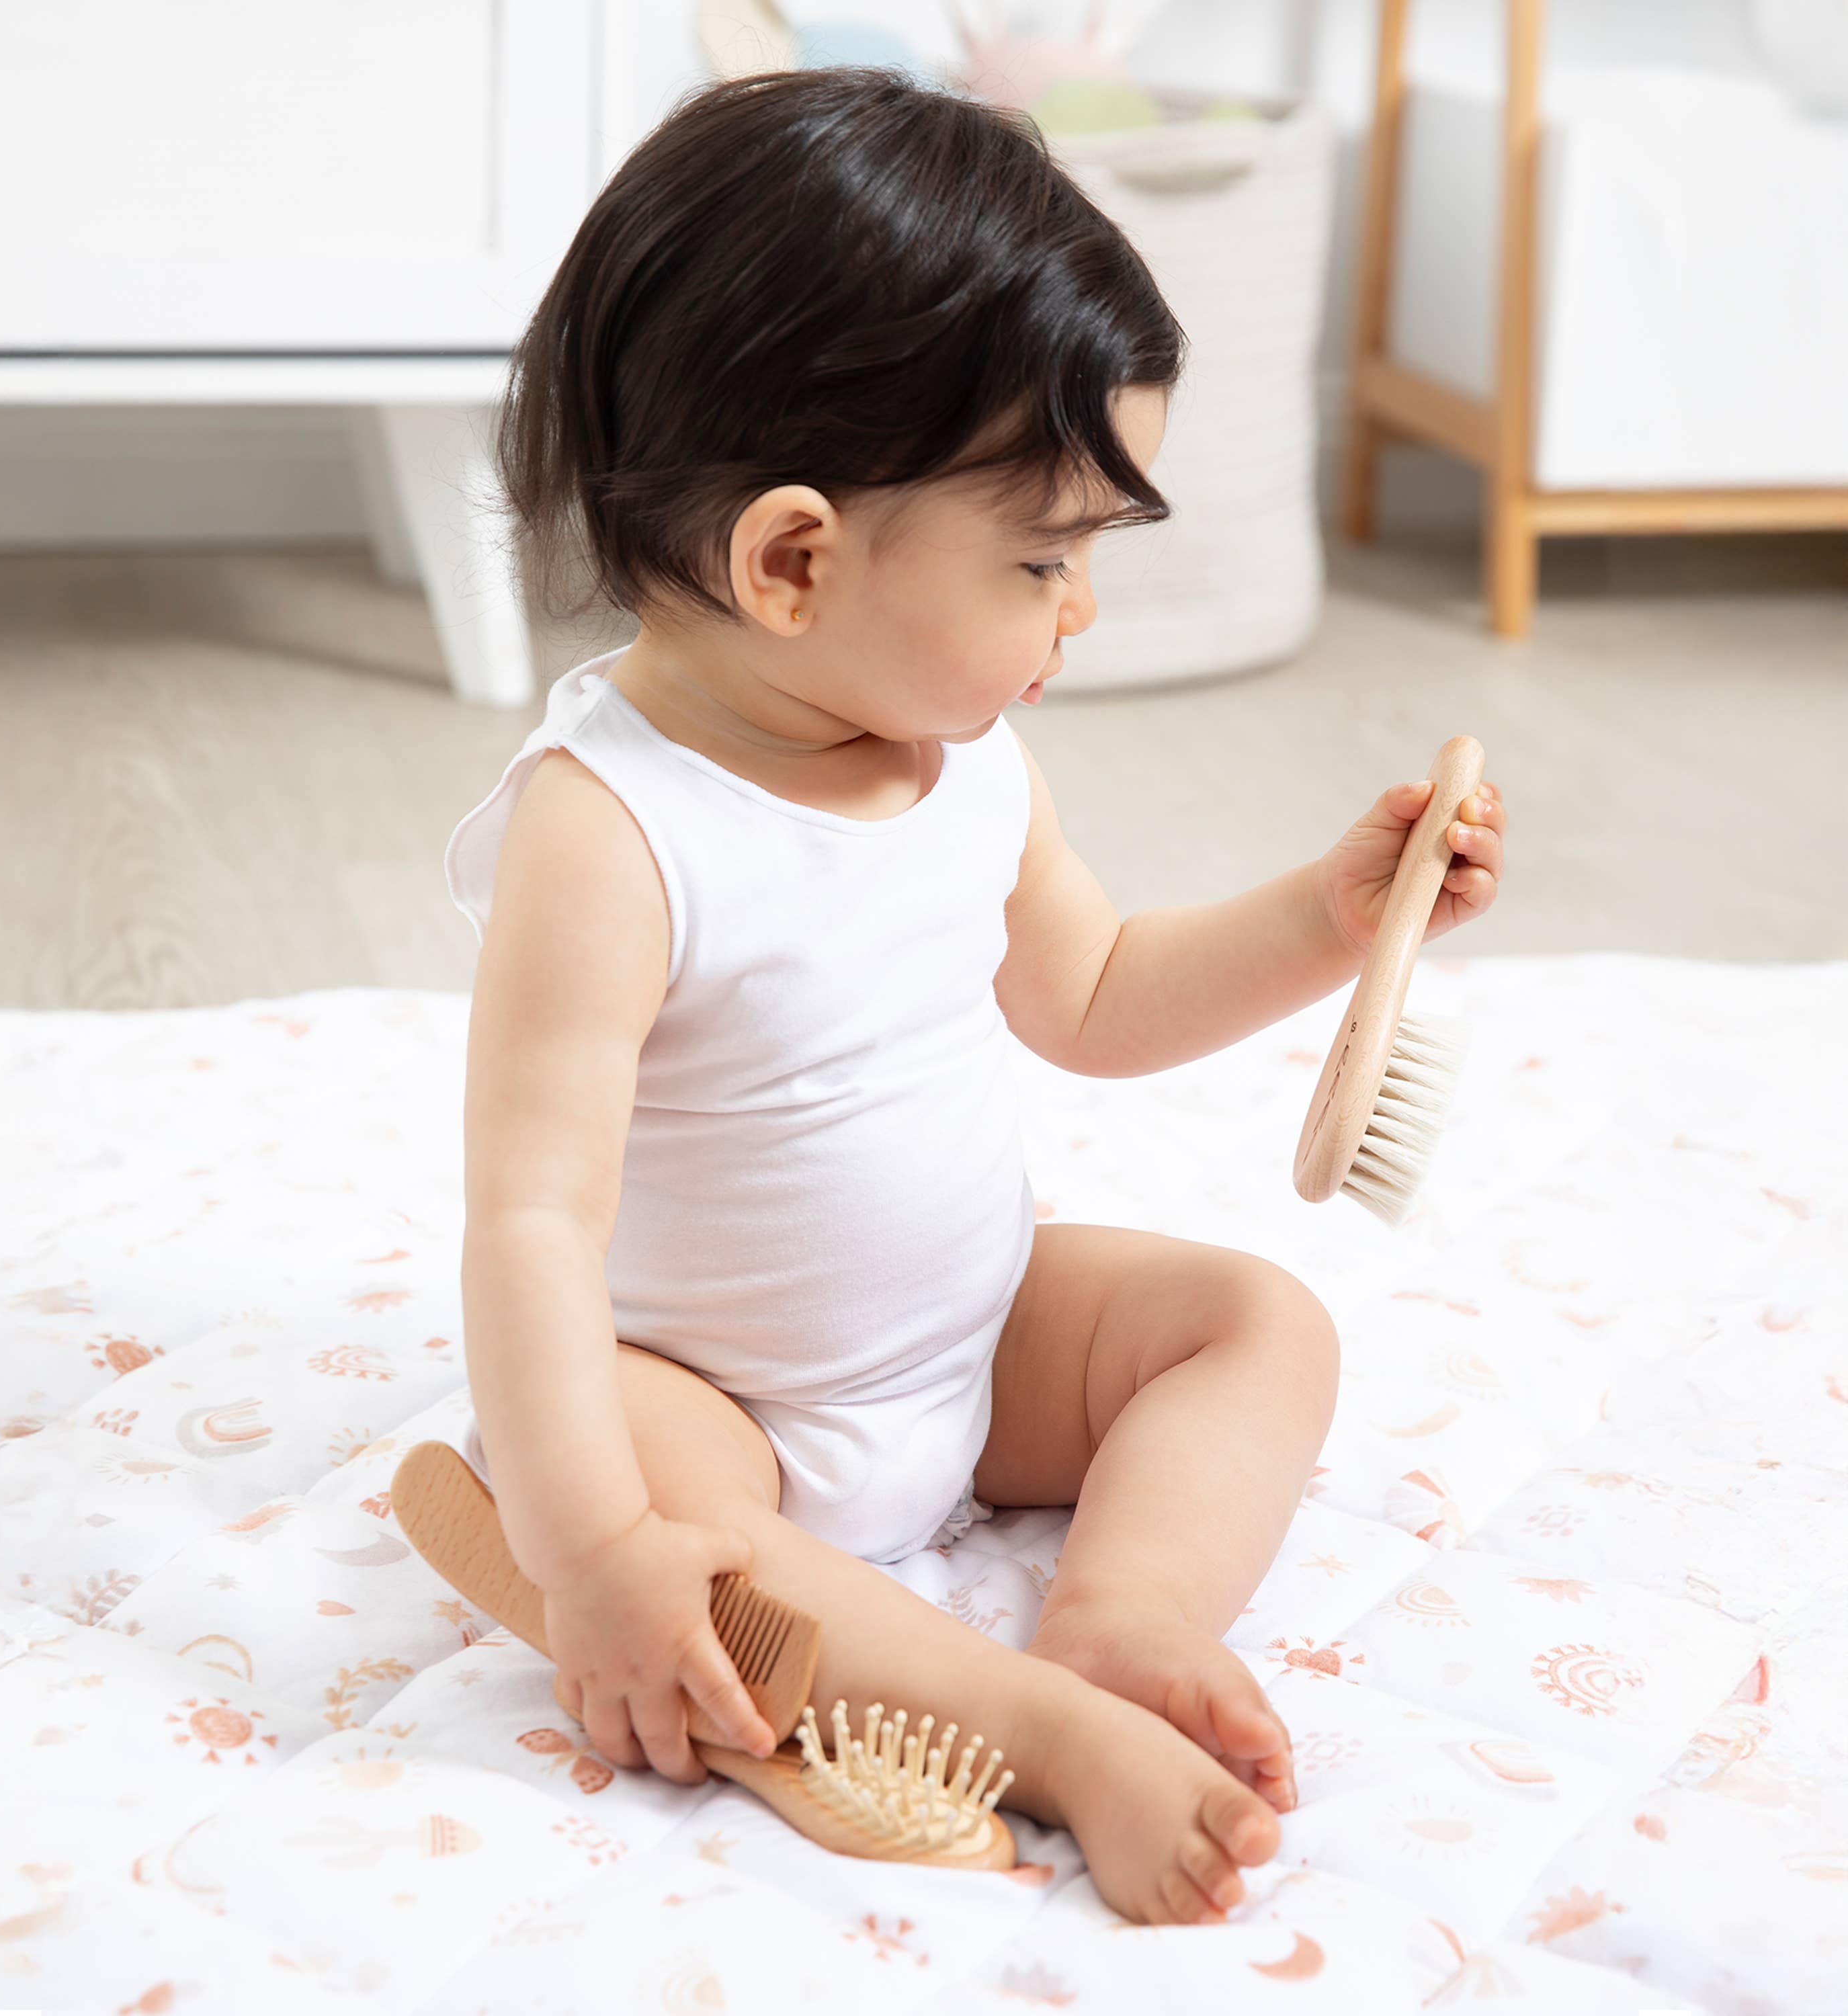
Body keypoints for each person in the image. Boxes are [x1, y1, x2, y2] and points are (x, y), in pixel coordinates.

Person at [445, 67, 1507, 1927]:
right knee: (688, 1538)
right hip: (722, 1392)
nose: (1079, 608)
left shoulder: (962, 758)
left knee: (1255, 1322)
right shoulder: (610, 832)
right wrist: (589, 1546)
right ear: (792, 561)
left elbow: (1094, 994)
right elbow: (532, 1220)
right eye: (1042, 558)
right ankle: (1040, 1730)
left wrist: (1330, 917)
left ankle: (1123, 1614)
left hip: (974, 1331)